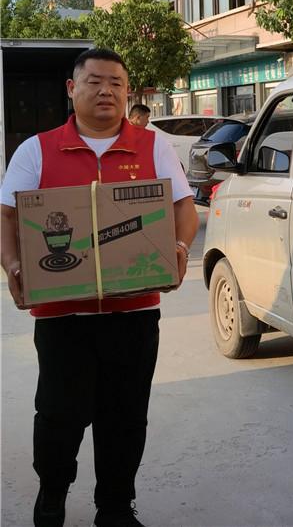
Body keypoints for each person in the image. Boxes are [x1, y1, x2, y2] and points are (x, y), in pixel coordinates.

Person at [0, 48, 199, 527]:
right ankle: (52, 494)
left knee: (126, 418)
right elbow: (7, 216)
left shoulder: (153, 147)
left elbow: (184, 209)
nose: (106, 90)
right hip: (63, 316)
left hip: (134, 314)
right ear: (72, 89)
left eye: (116, 83)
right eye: (94, 81)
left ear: (128, 92)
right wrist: (13, 266)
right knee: (58, 416)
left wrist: (178, 249)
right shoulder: (37, 150)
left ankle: (114, 508)